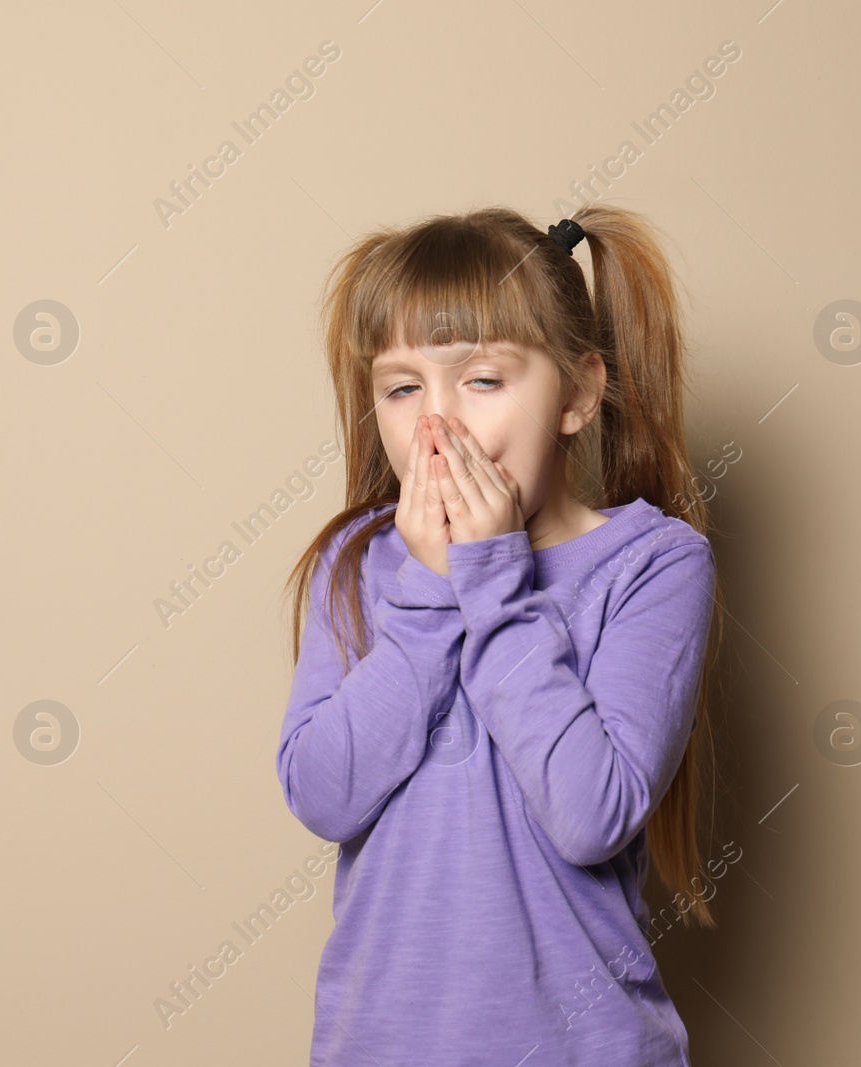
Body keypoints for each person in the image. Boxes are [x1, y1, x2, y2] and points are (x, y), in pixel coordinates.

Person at [276, 204, 727, 1066]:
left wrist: (487, 581)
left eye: (482, 380)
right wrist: (430, 589)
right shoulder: (359, 561)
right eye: (403, 388)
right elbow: (323, 794)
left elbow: (591, 813)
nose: (435, 427)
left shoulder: (654, 565)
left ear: (579, 394)